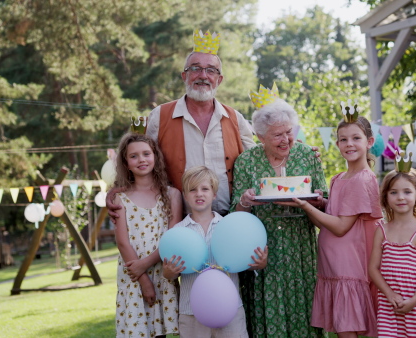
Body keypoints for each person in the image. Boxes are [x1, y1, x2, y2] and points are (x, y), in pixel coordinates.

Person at [106, 30, 256, 217]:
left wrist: (287, 153)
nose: (203, 75)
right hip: (177, 221)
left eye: (211, 70)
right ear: (184, 76)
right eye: (195, 68)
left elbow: (257, 161)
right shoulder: (160, 116)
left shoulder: (235, 118)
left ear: (219, 80)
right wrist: (119, 187)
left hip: (230, 219)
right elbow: (137, 158)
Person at [231, 97, 327, 337]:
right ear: (261, 137)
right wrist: (245, 200)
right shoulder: (246, 162)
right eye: (277, 135)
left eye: (288, 132)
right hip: (263, 250)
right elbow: (236, 215)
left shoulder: (307, 156)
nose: (286, 140)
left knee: (305, 308)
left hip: (301, 249)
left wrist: (316, 202)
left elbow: (324, 207)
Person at [278, 115, 381, 337]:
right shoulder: (339, 178)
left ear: (369, 142)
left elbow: (341, 226)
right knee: (342, 327)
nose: (349, 144)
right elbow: (331, 215)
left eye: (356, 138)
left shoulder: (362, 179)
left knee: (347, 329)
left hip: (348, 266)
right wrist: (318, 203)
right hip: (332, 264)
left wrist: (306, 206)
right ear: (337, 144)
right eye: (343, 139)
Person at [163, 166, 268, 338]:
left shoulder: (229, 227)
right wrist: (169, 273)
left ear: (214, 194)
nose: (199, 194)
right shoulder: (178, 232)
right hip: (192, 311)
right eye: (192, 189)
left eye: (205, 189)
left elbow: (243, 262)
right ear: (185, 196)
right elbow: (171, 272)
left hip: (229, 307)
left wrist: (259, 263)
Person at [113, 133, 183, 337]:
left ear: (156, 157)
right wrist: (143, 278)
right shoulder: (120, 197)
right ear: (126, 163)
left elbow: (172, 236)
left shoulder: (172, 195)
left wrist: (146, 263)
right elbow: (123, 243)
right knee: (140, 330)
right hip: (133, 275)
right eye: (134, 156)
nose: (141, 159)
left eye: (146, 154)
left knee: (162, 330)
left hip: (163, 271)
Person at [369, 164, 416, 337]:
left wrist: (414, 300)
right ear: (386, 197)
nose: (400, 197)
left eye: (407, 192)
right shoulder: (381, 230)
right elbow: (373, 269)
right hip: (390, 303)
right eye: (393, 192)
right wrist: (389, 294)